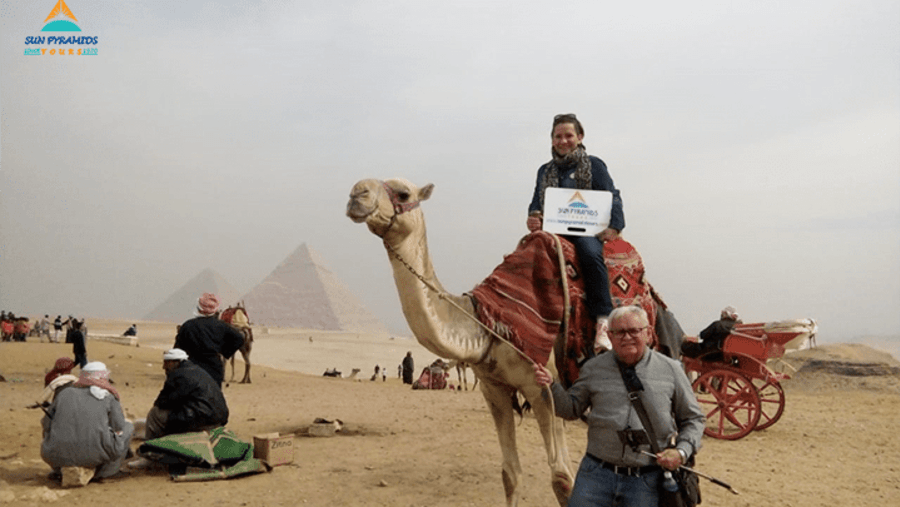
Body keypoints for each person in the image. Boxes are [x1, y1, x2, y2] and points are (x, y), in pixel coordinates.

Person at [534, 305, 704, 507]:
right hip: (595, 475)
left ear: (648, 333)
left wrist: (681, 452)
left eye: (634, 331)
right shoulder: (593, 368)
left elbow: (693, 419)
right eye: (619, 332)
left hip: (646, 481)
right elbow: (570, 409)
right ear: (609, 335)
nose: (627, 337)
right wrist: (550, 386)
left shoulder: (671, 370)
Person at [527, 113, 625, 350]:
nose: (563, 141)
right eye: (557, 136)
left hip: (587, 232)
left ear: (579, 137)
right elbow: (536, 203)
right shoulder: (544, 171)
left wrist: (614, 225)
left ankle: (603, 319)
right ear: (552, 140)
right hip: (553, 230)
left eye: (568, 135)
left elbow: (612, 196)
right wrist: (533, 217)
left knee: (589, 254)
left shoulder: (595, 165)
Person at [40, 362, 133, 481]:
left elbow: (46, 423)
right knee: (128, 427)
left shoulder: (64, 393)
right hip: (93, 455)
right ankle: (107, 473)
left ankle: (59, 470)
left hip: (54, 456)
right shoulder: (107, 396)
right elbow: (118, 426)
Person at [143, 348, 229, 441]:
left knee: (155, 414)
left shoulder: (178, 375)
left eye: (166, 363)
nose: (164, 367)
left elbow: (162, 402)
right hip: (219, 417)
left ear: (174, 362)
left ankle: (152, 447)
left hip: (202, 418)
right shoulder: (198, 370)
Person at [173, 293, 245, 387]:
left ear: (199, 308)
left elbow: (177, 351)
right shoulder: (221, 325)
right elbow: (239, 338)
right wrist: (224, 351)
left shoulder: (187, 326)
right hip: (214, 368)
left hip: (192, 368)